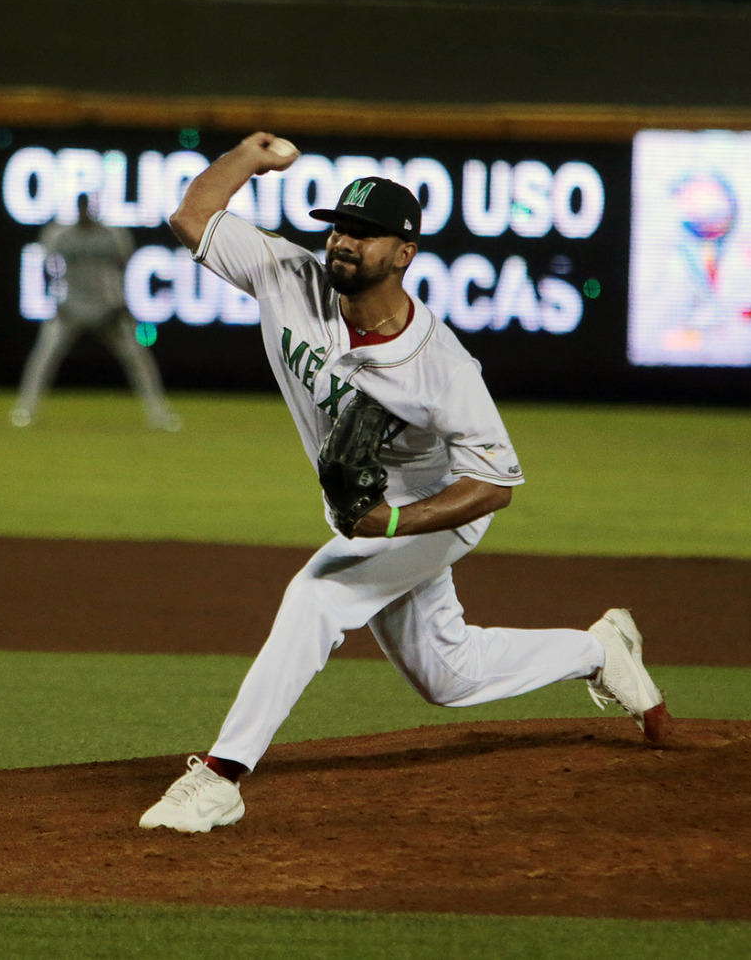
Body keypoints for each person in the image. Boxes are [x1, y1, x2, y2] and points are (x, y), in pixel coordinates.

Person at [139, 133, 671, 834]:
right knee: (448, 675)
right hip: (372, 519)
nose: (343, 242)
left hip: (437, 510)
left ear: (403, 253)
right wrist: (247, 156)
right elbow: (192, 219)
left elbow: (496, 482)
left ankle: (222, 776)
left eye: (364, 233)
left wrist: (392, 522)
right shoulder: (288, 277)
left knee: (317, 595)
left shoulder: (442, 366)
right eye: (339, 227)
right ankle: (600, 650)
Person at [11, 192, 181, 432]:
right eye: (82, 207)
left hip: (108, 309)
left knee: (138, 360)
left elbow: (125, 272)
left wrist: (120, 305)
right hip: (70, 307)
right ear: (77, 209)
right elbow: (45, 271)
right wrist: (56, 301)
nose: (85, 212)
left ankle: (159, 413)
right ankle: (25, 410)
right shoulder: (60, 234)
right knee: (44, 356)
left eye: (89, 207)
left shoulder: (113, 235)